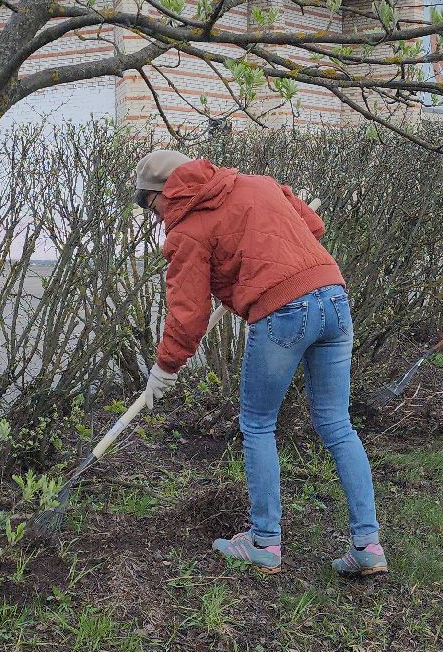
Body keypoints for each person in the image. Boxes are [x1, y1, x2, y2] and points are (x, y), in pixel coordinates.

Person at [132, 148, 385, 577]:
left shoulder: (187, 231)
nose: (152, 214)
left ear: (165, 192)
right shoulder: (257, 184)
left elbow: (187, 313)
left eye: (148, 203)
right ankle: (368, 545)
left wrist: (166, 367)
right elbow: (313, 226)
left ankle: (265, 541)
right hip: (333, 297)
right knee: (337, 424)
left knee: (258, 424)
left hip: (284, 312)